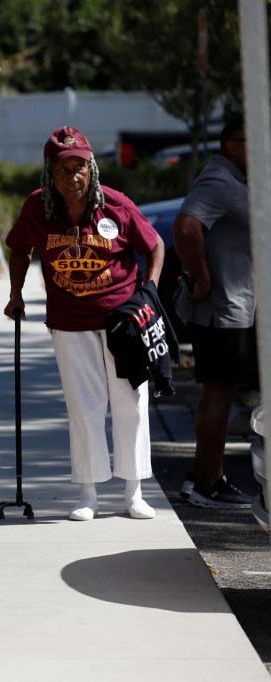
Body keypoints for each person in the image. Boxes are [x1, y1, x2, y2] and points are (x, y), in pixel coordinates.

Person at [4, 126, 165, 521]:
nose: (71, 177)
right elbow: (20, 249)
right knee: (84, 407)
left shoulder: (116, 205)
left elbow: (155, 244)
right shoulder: (38, 208)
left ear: (91, 168)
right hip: (69, 322)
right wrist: (16, 293)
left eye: (79, 167)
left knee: (130, 403)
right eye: (62, 169)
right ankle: (89, 493)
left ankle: (134, 492)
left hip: (122, 321)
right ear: (49, 173)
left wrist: (151, 292)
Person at [171, 114, 256, 509]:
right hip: (223, 310)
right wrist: (200, 276)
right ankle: (210, 482)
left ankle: (201, 476)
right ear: (232, 144)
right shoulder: (220, 179)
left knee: (221, 391)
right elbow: (186, 226)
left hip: (239, 308)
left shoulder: (238, 180)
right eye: (252, 140)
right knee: (219, 393)